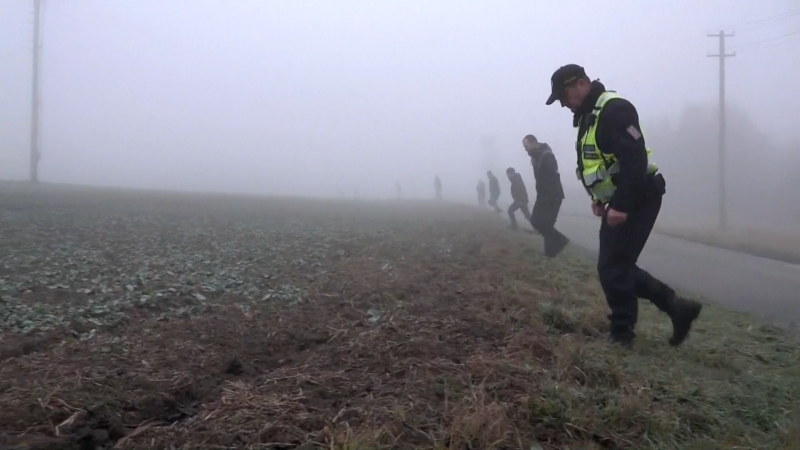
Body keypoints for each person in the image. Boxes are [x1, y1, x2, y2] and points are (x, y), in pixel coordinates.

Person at [544, 63, 702, 348]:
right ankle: (678, 309)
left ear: (581, 83)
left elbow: (634, 160)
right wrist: (599, 199)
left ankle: (622, 333)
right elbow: (601, 164)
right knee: (616, 266)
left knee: (613, 267)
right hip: (621, 200)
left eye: (564, 96)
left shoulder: (614, 110)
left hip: (640, 197)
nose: (564, 104)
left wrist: (622, 206)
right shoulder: (589, 117)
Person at [523, 135, 570, 257]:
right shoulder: (535, 157)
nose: (525, 149)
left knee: (545, 224)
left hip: (552, 194)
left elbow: (552, 176)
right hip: (542, 194)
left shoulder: (547, 156)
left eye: (526, 146)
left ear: (534, 143)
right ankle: (559, 243)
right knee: (536, 221)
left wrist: (548, 196)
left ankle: (552, 251)